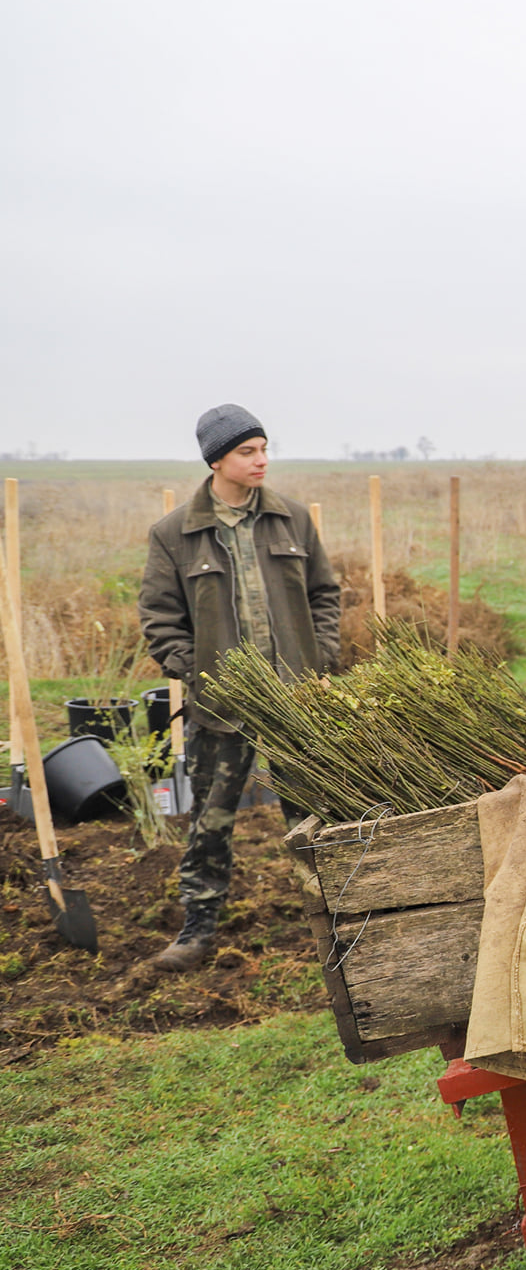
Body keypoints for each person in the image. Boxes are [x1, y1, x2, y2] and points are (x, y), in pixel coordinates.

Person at [139, 404, 340, 971]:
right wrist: (198, 670)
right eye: (248, 452)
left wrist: (321, 658)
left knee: (318, 817)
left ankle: (342, 924)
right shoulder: (175, 533)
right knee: (211, 821)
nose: (261, 461)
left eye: (264, 449)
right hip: (222, 709)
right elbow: (159, 616)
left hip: (298, 702)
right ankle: (198, 932)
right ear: (217, 460)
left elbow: (325, 594)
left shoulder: (293, 520)